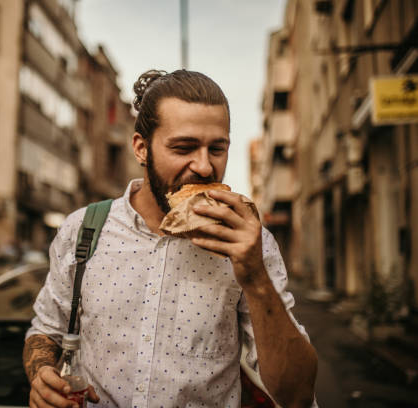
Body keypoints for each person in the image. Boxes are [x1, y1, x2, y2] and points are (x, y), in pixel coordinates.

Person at [23, 69, 318, 408]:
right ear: (141, 148)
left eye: (217, 148)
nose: (205, 167)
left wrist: (256, 279)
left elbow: (297, 396)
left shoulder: (249, 242)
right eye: (184, 147)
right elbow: (46, 330)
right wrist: (42, 374)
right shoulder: (82, 231)